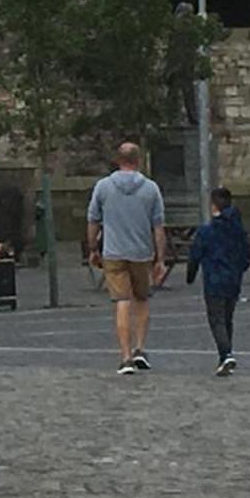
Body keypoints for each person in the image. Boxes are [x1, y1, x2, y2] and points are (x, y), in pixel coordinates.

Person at [86, 142, 167, 375]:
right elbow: (158, 226)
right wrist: (160, 259)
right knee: (142, 299)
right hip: (141, 252)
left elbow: (93, 219)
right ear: (138, 160)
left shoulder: (103, 187)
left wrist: (93, 248)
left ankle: (126, 356)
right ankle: (140, 347)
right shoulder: (151, 189)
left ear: (117, 160)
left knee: (122, 301)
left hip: (113, 252)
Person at [186, 186, 250, 375]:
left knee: (216, 319)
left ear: (214, 206)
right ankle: (226, 355)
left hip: (214, 279)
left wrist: (190, 275)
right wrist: (239, 270)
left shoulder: (208, 231)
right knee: (227, 318)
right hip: (233, 280)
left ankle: (226, 354)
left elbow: (195, 254)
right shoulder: (238, 230)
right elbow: (246, 254)